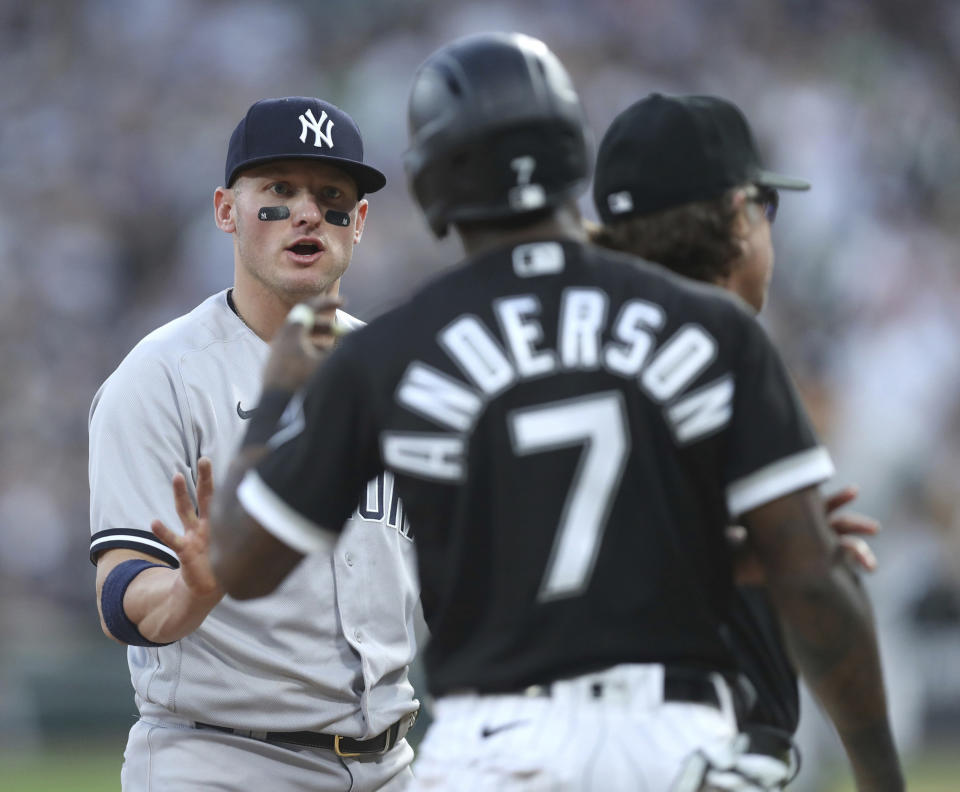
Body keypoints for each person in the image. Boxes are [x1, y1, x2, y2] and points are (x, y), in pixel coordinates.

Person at [209, 34, 903, 791]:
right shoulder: (712, 325)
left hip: (494, 743)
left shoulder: (388, 354)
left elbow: (241, 564)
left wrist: (279, 394)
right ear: (573, 153)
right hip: (675, 738)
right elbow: (813, 578)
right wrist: (881, 776)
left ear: (432, 181)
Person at [88, 96, 419, 792]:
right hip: (222, 763)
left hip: (394, 766)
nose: (307, 214)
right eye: (278, 192)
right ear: (225, 211)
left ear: (357, 225)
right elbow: (121, 592)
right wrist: (189, 590)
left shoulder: (398, 374)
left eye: (332, 199)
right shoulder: (161, 377)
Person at [590, 93, 882, 786]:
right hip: (702, 742)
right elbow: (817, 593)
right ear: (735, 217)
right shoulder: (725, 351)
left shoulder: (564, 361)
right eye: (765, 208)